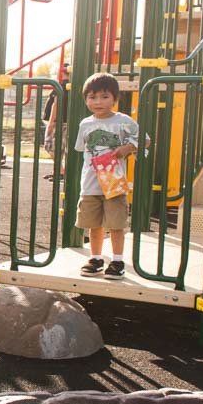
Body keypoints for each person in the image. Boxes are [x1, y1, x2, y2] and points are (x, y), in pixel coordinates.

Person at [73, 72, 139, 280]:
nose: (98, 102)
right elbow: (82, 149)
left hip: (112, 181)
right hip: (91, 183)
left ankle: (117, 260)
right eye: (92, 97)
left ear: (115, 98)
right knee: (94, 224)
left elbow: (143, 140)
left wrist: (126, 148)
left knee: (116, 223)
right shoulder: (85, 124)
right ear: (85, 100)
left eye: (104, 96)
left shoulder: (122, 121)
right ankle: (96, 257)